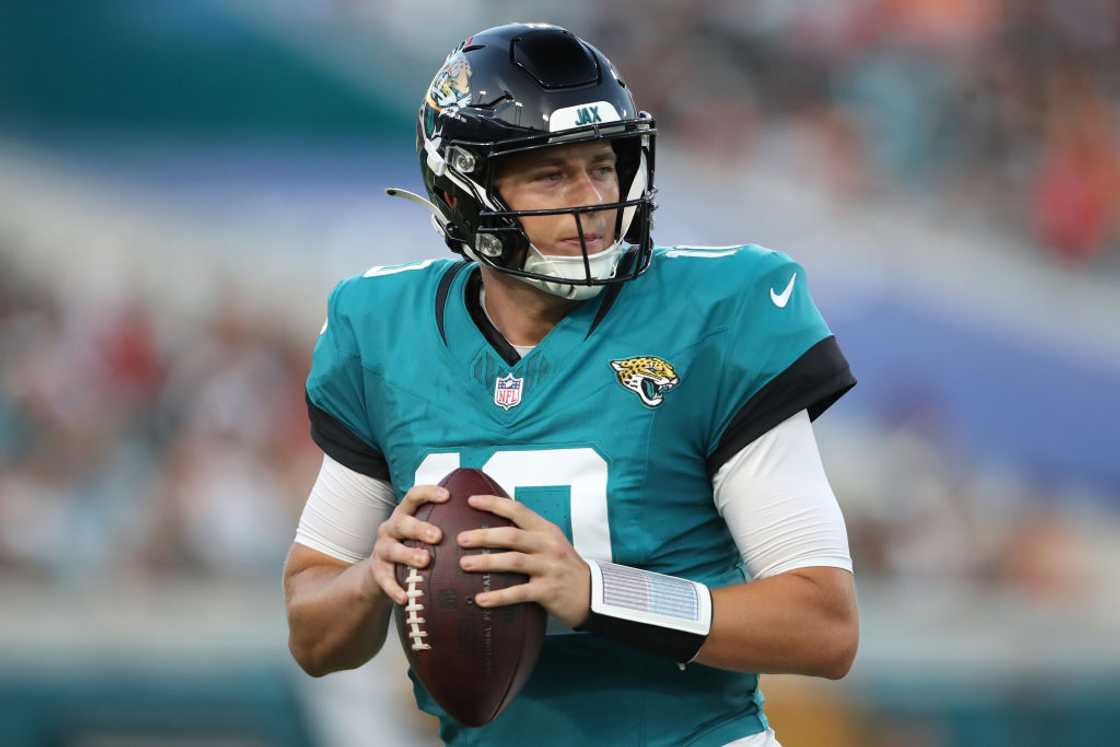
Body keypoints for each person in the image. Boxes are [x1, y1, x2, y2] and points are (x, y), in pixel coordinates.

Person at [283, 23, 858, 747]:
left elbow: (824, 623)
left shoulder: (717, 312)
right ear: (466, 192)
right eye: (550, 174)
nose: (590, 198)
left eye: (602, 165)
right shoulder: (384, 331)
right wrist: (373, 577)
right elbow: (312, 629)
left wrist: (597, 592)